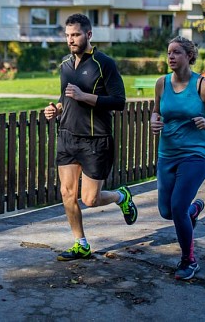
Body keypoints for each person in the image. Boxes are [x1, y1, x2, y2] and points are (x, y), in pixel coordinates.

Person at [44, 13, 137, 261]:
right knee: (66, 193)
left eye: (75, 35)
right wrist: (56, 109)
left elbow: (119, 102)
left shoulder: (103, 63)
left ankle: (121, 196)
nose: (71, 40)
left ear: (88, 35)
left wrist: (84, 96)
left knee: (90, 199)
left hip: (96, 140)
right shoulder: (65, 65)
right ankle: (81, 243)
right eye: (67, 35)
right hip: (67, 136)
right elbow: (66, 99)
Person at [150, 36, 205, 280]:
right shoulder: (161, 84)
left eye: (176, 52)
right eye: (168, 53)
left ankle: (189, 260)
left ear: (189, 56)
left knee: (177, 208)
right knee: (167, 211)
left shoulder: (204, 86)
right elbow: (156, 113)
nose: (171, 57)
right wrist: (154, 122)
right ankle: (193, 210)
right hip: (167, 153)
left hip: (196, 155)